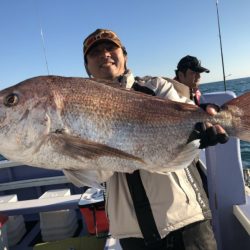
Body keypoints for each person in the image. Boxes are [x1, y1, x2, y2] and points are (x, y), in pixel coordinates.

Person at [82, 29, 228, 250]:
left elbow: (185, 112)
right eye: (95, 52)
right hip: (132, 233)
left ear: (125, 55)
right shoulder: (79, 108)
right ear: (87, 67)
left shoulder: (156, 86)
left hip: (186, 219)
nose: (104, 54)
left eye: (110, 48)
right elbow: (88, 174)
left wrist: (202, 125)